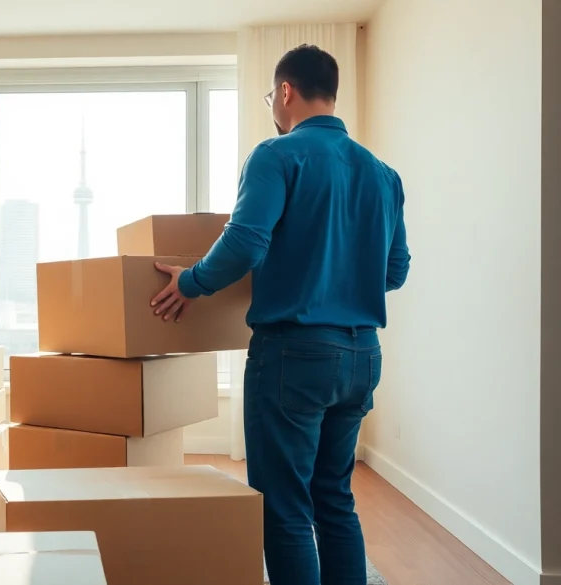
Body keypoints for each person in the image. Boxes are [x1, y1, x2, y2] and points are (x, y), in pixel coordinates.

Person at [151, 44, 410, 585]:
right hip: (363, 353)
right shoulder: (383, 174)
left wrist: (192, 282)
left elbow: (244, 241)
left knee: (285, 506)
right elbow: (395, 272)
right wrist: (340, 271)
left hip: (293, 355)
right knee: (334, 496)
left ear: (285, 92)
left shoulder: (276, 155)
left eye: (272, 95)